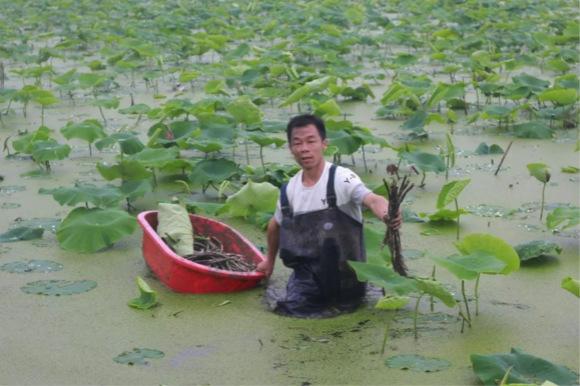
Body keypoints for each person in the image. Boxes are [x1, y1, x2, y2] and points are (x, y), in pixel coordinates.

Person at [256, 114, 402, 317]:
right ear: (291, 149)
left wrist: (388, 214)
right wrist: (269, 261)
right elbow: (274, 226)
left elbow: (373, 199)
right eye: (297, 143)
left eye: (311, 141)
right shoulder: (288, 191)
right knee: (286, 315)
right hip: (305, 285)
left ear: (324, 144)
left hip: (348, 281)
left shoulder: (341, 179)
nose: (304, 148)